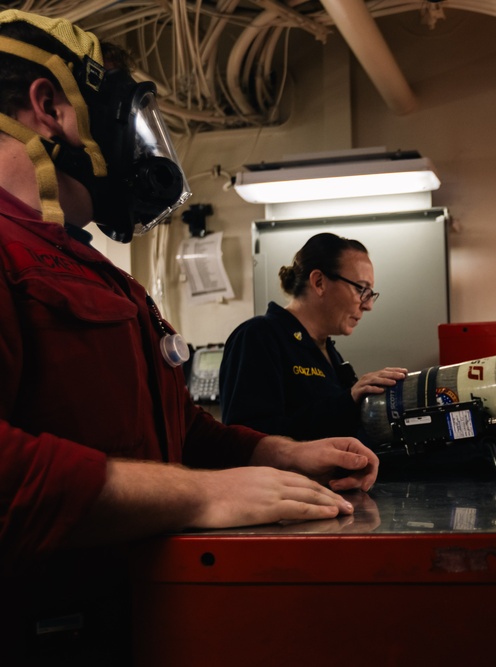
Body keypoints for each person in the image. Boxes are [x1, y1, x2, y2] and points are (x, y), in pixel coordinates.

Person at [0, 10, 378, 663]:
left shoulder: (96, 271)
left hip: (129, 618)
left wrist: (273, 454)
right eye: (119, 111)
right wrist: (200, 492)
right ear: (48, 107)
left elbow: (179, 428)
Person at [220, 232, 407, 442]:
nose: (368, 305)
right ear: (319, 282)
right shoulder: (258, 337)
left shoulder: (328, 351)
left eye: (370, 293)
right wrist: (347, 401)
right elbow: (248, 438)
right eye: (361, 289)